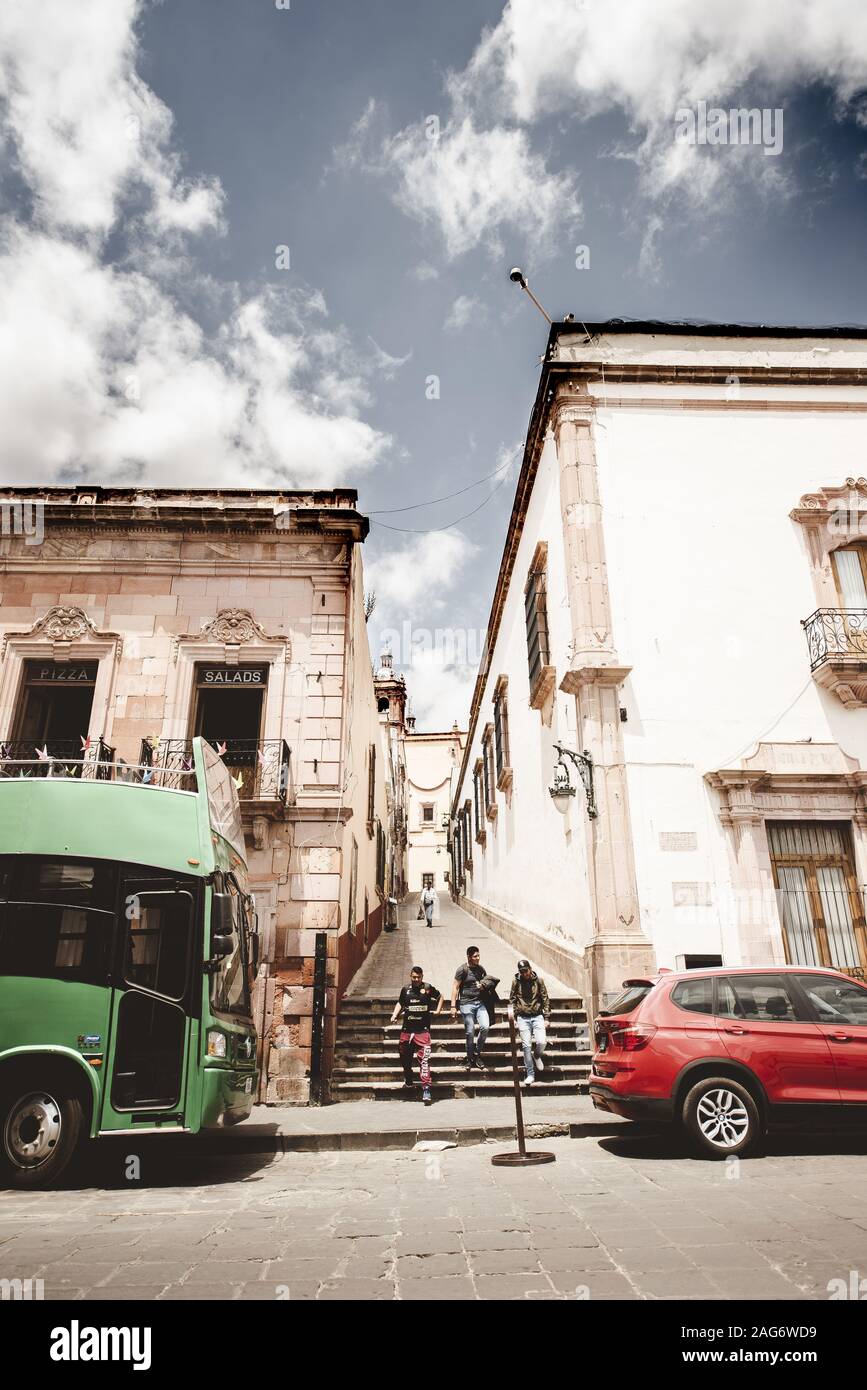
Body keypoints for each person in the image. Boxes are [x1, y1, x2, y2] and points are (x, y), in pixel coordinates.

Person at [390, 965, 443, 1105]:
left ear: (422, 977)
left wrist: (438, 1010)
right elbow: (400, 1003)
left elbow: (440, 997)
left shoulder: (427, 988)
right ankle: (408, 1077)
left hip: (423, 1032)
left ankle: (426, 1089)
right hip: (407, 1031)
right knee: (404, 1058)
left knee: (424, 1061)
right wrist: (395, 1015)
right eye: (414, 977)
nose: (416, 980)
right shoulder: (405, 990)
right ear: (410, 976)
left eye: (419, 977)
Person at [509, 959, 550, 1085]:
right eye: (521, 972)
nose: (524, 974)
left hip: (537, 1016)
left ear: (530, 969)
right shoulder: (516, 981)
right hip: (523, 1017)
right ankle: (530, 1074)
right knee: (526, 1046)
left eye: (525, 971)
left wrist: (547, 1018)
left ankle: (537, 1055)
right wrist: (515, 1017)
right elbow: (512, 999)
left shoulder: (539, 981)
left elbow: (545, 998)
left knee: (542, 1041)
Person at [451, 946, 491, 1072]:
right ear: (469, 957)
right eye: (475, 956)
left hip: (479, 1003)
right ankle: (469, 1058)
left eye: (478, 955)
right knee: (470, 1031)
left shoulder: (481, 969)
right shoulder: (462, 970)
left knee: (485, 1026)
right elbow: (455, 987)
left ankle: (476, 1053)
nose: (478, 958)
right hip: (466, 1004)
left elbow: (486, 982)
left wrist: (483, 986)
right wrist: (453, 1006)